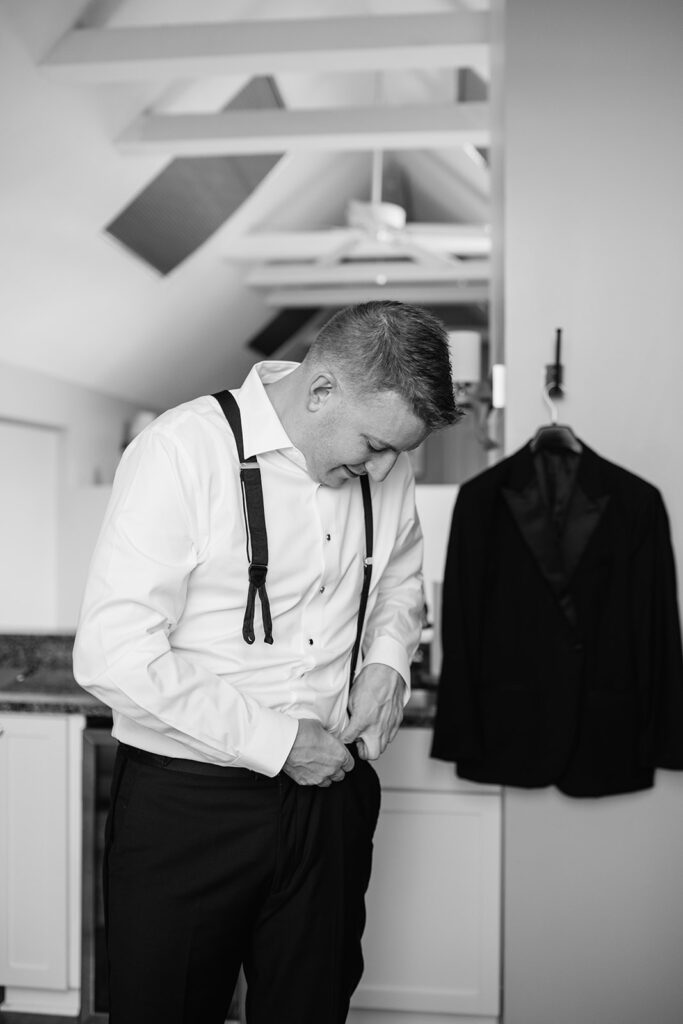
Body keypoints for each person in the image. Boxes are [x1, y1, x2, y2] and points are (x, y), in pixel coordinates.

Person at [73, 299, 459, 1024]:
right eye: (374, 445)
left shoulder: (388, 463)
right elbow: (114, 653)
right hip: (189, 808)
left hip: (332, 800)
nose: (383, 467)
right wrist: (280, 743)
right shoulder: (181, 450)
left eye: (397, 453)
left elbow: (401, 581)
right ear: (320, 390)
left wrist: (387, 661)